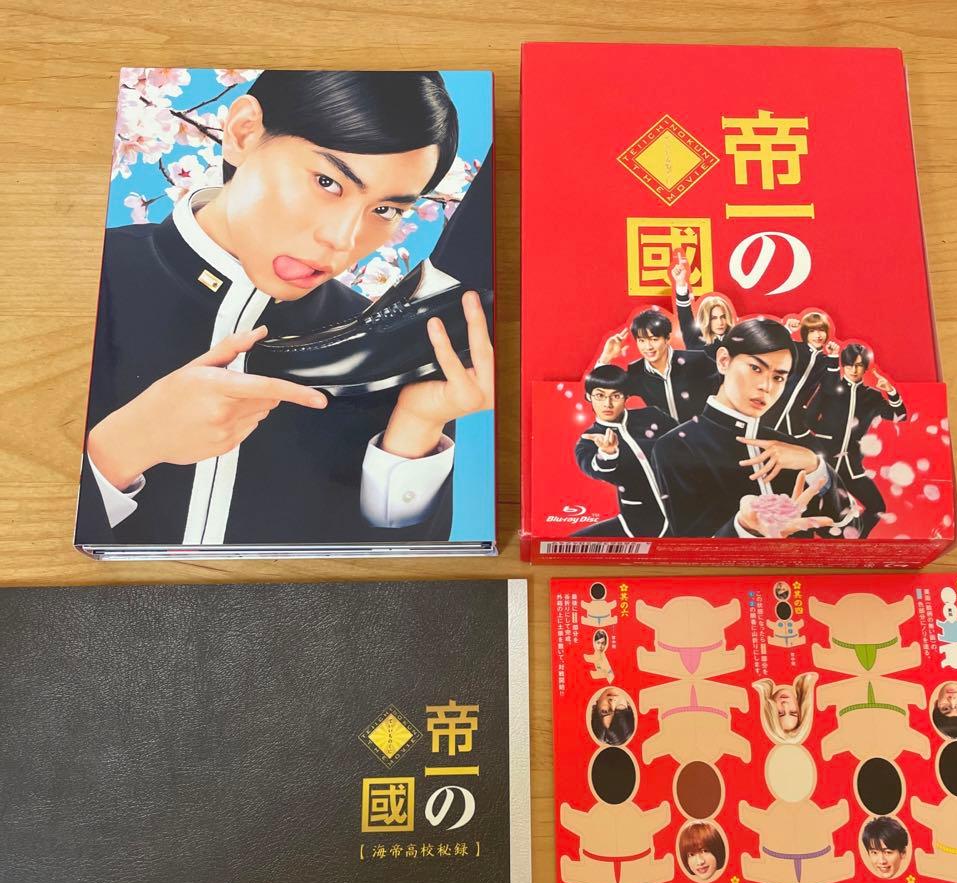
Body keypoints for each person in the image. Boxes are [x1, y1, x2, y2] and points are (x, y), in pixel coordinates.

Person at [77, 70, 494, 547]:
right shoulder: (88, 278)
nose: (342, 240)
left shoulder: (384, 352)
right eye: (327, 182)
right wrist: (124, 448)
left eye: (386, 210)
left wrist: (416, 426)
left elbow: (396, 580)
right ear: (243, 133)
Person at [650, 317, 859, 538]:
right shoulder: (675, 447)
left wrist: (815, 466)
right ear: (724, 361)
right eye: (756, 368)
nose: (766, 386)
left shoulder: (793, 450)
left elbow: (850, 532)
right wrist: (744, 528)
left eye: (778, 377)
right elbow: (692, 551)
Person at [800, 342, 906, 538]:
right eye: (849, 364)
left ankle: (855, 542)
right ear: (843, 365)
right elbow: (808, 419)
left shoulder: (872, 397)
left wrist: (890, 391)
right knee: (810, 511)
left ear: (865, 368)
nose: (854, 370)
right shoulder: (830, 388)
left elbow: (899, 415)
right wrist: (827, 435)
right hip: (824, 462)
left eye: (858, 365)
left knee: (877, 507)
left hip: (851, 466)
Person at [572, 365, 676, 537]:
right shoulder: (588, 441)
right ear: (589, 397)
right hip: (640, 522)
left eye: (616, 396)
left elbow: (686, 442)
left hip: (684, 511)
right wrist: (608, 454)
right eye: (600, 395)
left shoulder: (653, 416)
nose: (608, 404)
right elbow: (596, 470)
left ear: (626, 397)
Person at [599, 309, 718, 423]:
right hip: (666, 437)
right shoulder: (636, 372)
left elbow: (726, 383)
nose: (648, 347)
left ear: (667, 338)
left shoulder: (696, 361)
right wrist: (606, 357)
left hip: (703, 433)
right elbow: (600, 394)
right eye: (642, 341)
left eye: (654, 339)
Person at [771, 311, 833, 438]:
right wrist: (787, 330)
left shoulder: (826, 361)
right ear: (805, 333)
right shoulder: (794, 347)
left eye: (821, 330)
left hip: (796, 419)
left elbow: (831, 387)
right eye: (812, 331)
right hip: (771, 408)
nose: (817, 335)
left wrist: (833, 358)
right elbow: (769, 347)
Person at [669, 251, 736, 361]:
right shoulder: (695, 339)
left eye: (723, 317)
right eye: (714, 318)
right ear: (706, 319)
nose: (720, 322)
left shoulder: (738, 342)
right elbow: (684, 314)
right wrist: (680, 283)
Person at [752, 672, 818, 744]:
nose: (785, 704)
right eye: (793, 712)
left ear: (770, 709)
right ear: (799, 706)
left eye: (780, 713)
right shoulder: (807, 672)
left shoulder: (754, 680)